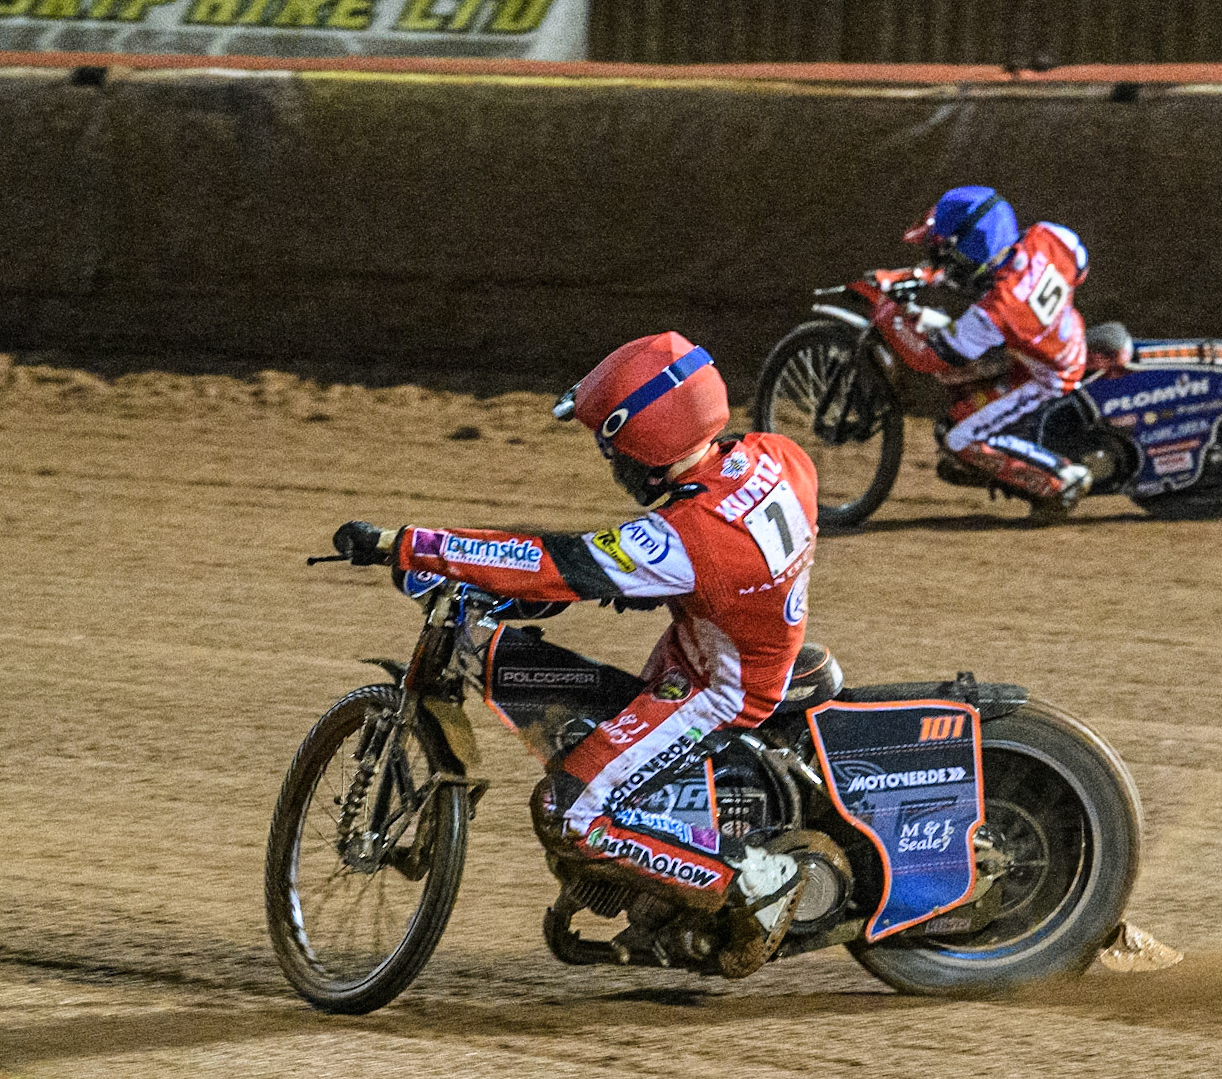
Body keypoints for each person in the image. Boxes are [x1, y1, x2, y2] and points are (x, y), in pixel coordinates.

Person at [330, 331, 818, 976]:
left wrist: (408, 543)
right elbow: (715, 558)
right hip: (723, 643)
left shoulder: (688, 536)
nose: (608, 459)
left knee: (568, 811)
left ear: (643, 440)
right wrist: (653, 585)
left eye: (610, 445)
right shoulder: (775, 456)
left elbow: (552, 562)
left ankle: (754, 882)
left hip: (716, 691)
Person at [875, 185, 1127, 519]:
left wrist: (889, 315)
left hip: (1045, 376)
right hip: (1058, 338)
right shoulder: (1049, 236)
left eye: (952, 252)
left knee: (958, 437)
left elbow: (928, 358)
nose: (948, 259)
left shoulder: (997, 312)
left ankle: (1059, 480)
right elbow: (1080, 267)